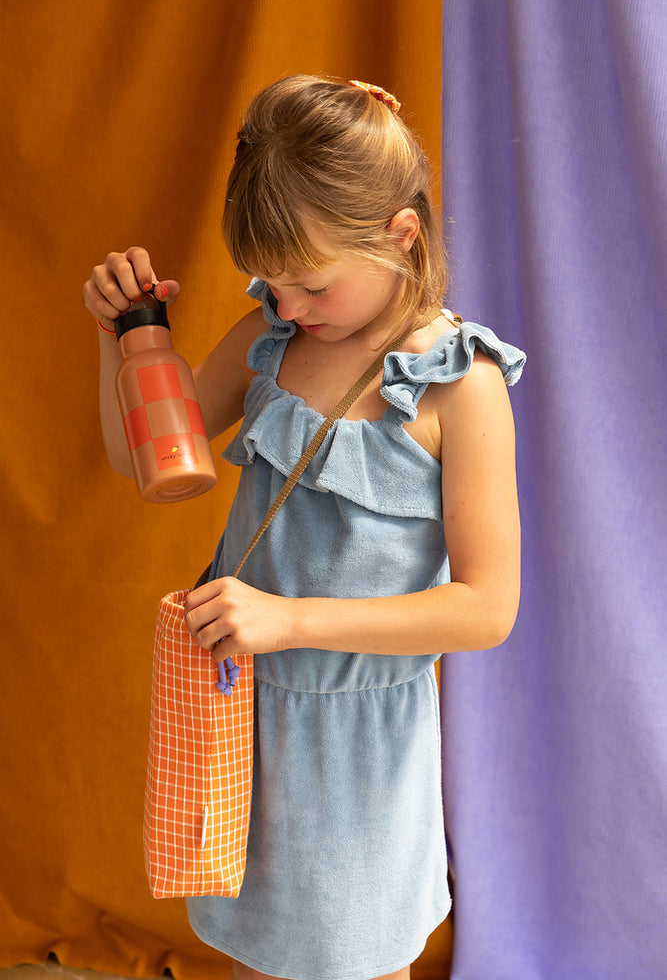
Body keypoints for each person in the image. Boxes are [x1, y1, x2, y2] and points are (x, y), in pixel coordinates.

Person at [84, 74, 526, 980]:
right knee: (256, 955)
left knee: (350, 957)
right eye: (271, 284)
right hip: (242, 719)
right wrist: (125, 340)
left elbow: (486, 609)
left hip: (358, 748)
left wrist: (290, 621)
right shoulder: (274, 340)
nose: (285, 307)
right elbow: (143, 463)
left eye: (309, 284)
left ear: (399, 234)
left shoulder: (457, 385)